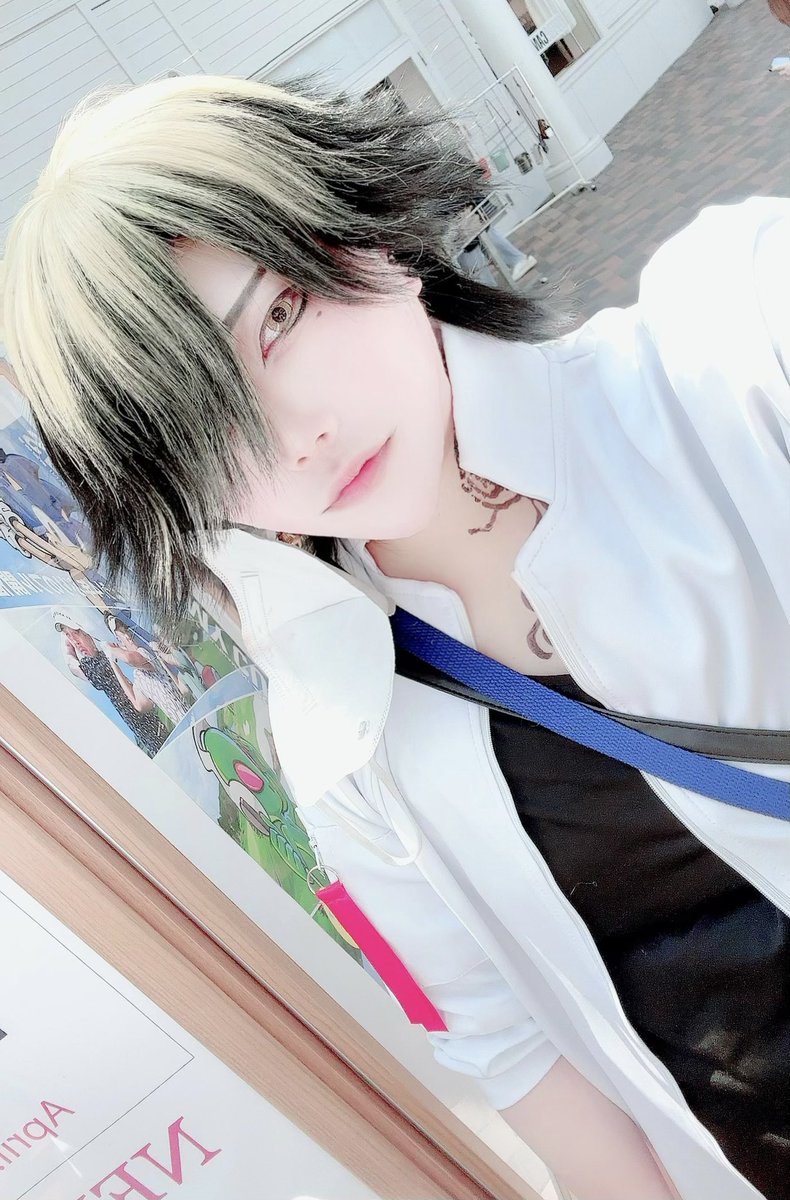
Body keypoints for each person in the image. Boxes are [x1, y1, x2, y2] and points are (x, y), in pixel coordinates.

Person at [3, 75, 789, 1200]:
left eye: (279, 318)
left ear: (366, 229)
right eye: (201, 427)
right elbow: (517, 1051)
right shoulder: (341, 734)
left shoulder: (727, 349)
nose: (296, 436)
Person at [55, 614, 168, 757]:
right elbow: (70, 661)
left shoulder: (108, 650)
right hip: (138, 715)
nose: (75, 641)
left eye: (76, 633)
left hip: (144, 705)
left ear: (86, 633)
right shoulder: (91, 665)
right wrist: (65, 628)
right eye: (69, 636)